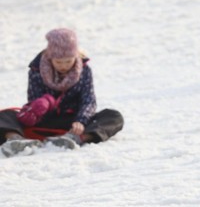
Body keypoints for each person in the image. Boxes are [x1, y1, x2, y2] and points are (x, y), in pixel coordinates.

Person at [0, 28, 124, 157]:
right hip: (44, 119)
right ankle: (15, 140)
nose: (63, 66)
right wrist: (44, 103)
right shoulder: (36, 70)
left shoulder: (85, 70)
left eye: (68, 61)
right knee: (5, 115)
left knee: (114, 116)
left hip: (72, 122)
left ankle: (76, 139)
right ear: (50, 56)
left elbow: (88, 99)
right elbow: (33, 99)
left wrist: (80, 121)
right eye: (58, 62)